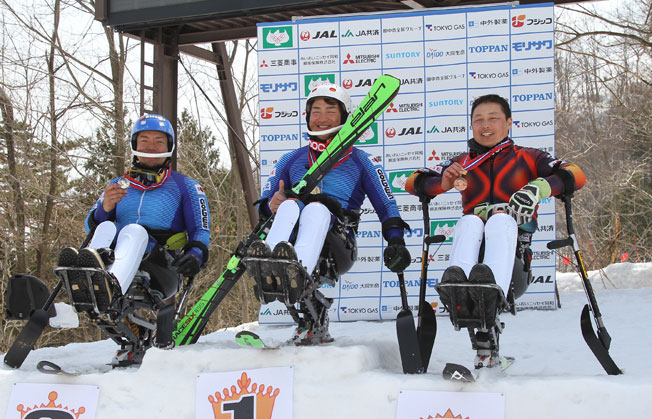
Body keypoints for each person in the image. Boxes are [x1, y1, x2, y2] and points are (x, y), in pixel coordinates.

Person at [405, 94, 586, 367]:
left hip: (513, 268)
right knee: (470, 221)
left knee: (500, 219)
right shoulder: (462, 162)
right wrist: (442, 183)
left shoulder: (528, 157)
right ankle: (459, 289)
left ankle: (489, 294)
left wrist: (539, 188)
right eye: (478, 119)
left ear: (509, 123)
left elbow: (576, 174)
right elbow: (412, 182)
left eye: (493, 118)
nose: (485, 125)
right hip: (474, 258)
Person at [247, 83, 411, 346]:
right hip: (292, 238)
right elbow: (263, 208)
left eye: (330, 111)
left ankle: (294, 272)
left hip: (338, 246)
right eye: (316, 111)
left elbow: (387, 205)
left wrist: (396, 241)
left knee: (316, 207)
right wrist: (271, 205)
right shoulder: (291, 159)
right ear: (307, 116)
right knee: (290, 205)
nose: (322, 118)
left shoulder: (361, 160)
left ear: (345, 117)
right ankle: (271, 267)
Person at [58, 113, 210, 347]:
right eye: (145, 140)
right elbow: (90, 227)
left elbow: (201, 230)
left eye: (159, 141)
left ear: (169, 146)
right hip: (115, 258)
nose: (151, 146)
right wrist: (105, 207)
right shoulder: (117, 185)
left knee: (135, 231)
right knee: (107, 225)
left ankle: (108, 287)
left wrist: (196, 255)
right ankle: (87, 281)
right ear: (135, 145)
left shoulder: (186, 186)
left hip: (161, 266)